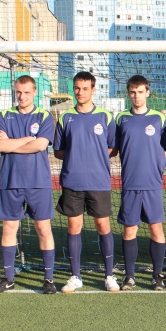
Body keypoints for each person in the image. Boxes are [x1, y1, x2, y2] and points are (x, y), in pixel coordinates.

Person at [0, 75, 56, 294]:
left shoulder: (44, 116)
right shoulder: (4, 115)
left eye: (26, 92)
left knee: (43, 228)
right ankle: (8, 278)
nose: (22, 96)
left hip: (38, 182)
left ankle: (48, 279)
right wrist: (28, 139)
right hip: (11, 181)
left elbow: (41, 145)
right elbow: (0, 146)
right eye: (18, 92)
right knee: (9, 228)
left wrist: (12, 144)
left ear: (34, 92)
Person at [53, 71, 118, 293]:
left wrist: (94, 155)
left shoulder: (105, 116)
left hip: (99, 181)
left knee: (103, 225)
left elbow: (113, 147)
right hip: (72, 181)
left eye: (85, 88)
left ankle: (109, 276)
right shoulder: (65, 117)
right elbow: (58, 150)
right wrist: (76, 154)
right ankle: (75, 276)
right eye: (77, 88)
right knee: (74, 227)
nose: (80, 92)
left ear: (93, 89)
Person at [115, 75, 166, 291]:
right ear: (128, 93)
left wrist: (157, 169)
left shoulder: (159, 118)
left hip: (152, 184)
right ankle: (129, 276)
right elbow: (114, 148)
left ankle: (157, 276)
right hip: (130, 183)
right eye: (132, 92)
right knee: (129, 230)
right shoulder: (121, 119)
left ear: (147, 92)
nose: (136, 96)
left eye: (140, 92)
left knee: (156, 229)